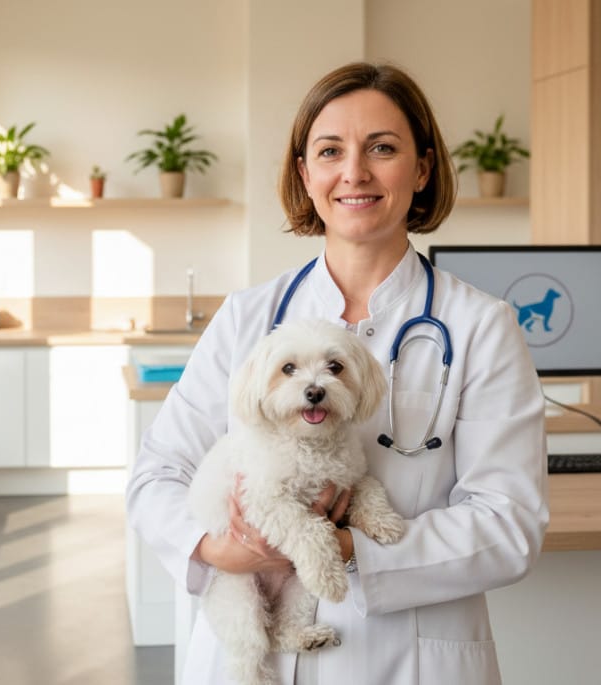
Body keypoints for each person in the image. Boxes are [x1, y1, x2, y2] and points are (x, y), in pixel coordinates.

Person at [126, 62, 548, 685]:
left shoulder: (482, 326)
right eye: (330, 151)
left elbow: (508, 522)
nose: (355, 172)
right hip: (253, 648)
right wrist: (220, 548)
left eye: (382, 147)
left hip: (407, 657)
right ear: (305, 172)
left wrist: (351, 550)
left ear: (423, 168)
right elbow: (156, 475)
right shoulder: (249, 317)